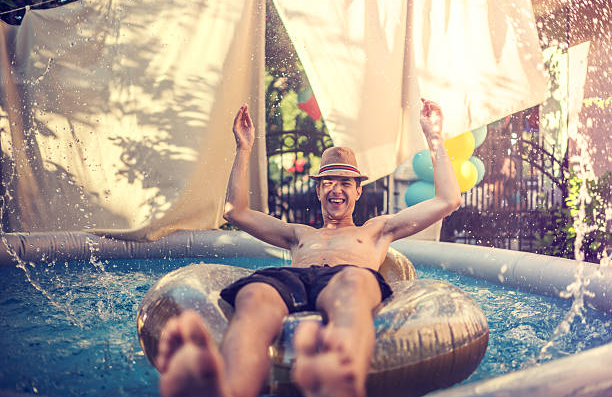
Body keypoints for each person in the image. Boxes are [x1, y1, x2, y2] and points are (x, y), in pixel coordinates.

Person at [156, 99, 462, 397]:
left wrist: (434, 137)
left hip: (346, 277)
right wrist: (244, 149)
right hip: (293, 280)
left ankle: (341, 383)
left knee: (354, 282)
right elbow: (235, 211)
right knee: (254, 293)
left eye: (345, 182)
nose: (336, 189)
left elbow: (447, 200)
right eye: (328, 182)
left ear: (358, 191)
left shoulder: (377, 230)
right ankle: (228, 390)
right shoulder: (298, 234)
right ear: (318, 190)